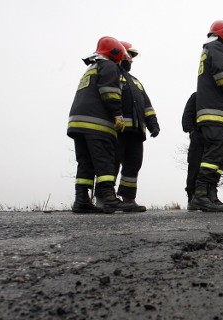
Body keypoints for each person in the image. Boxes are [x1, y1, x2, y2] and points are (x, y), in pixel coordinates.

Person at [67, 36, 134, 214]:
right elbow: (109, 92)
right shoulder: (109, 66)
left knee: (85, 162)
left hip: (78, 123)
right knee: (104, 160)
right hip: (96, 124)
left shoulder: (92, 68)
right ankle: (109, 198)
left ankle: (81, 200)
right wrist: (117, 115)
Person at [190, 20, 223, 212]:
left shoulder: (209, 50)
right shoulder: (217, 48)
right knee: (213, 155)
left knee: (218, 157)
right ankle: (201, 195)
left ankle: (210, 195)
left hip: (214, 115)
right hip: (216, 114)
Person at [114, 41, 161, 213]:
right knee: (112, 163)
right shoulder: (111, 75)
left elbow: (146, 105)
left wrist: (153, 124)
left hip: (136, 131)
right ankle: (105, 198)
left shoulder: (135, 82)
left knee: (133, 164)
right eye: (129, 57)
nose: (131, 61)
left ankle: (128, 198)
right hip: (117, 130)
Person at [181, 92, 203, 210]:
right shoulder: (196, 96)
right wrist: (193, 132)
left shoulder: (216, 97)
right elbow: (186, 118)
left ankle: (207, 195)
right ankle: (192, 197)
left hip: (212, 139)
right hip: (198, 138)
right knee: (194, 167)